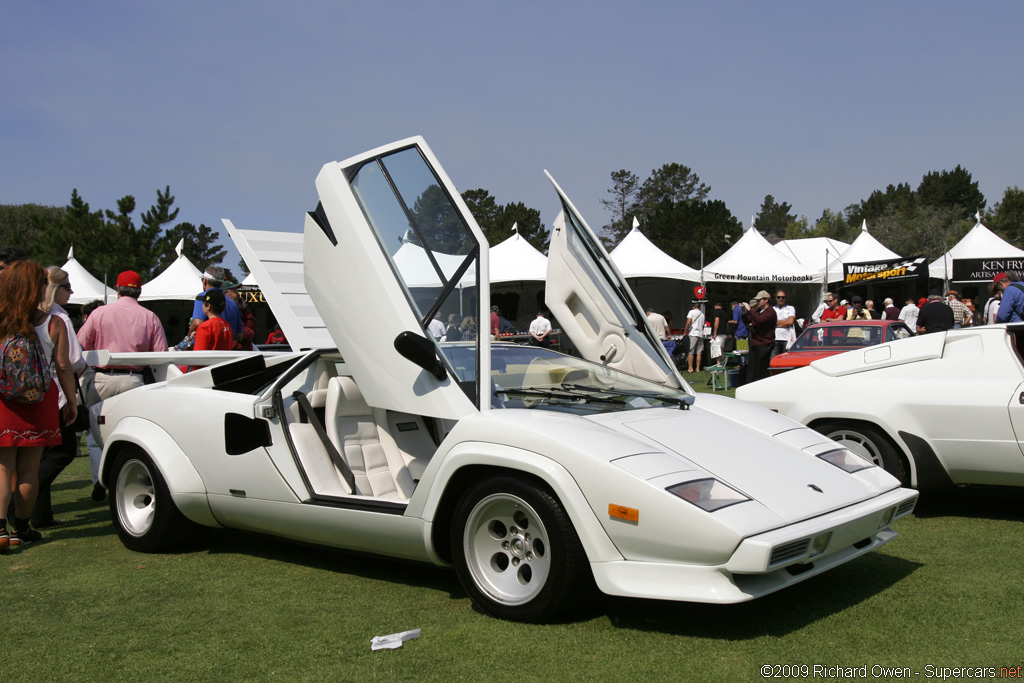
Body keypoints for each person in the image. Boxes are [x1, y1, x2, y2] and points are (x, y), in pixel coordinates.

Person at [0, 260, 77, 551]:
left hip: (4, 397)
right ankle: (22, 528)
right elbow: (63, 366)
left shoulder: (1, 319)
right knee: (30, 469)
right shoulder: (53, 322)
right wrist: (71, 401)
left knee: (3, 467)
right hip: (40, 398)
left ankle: (0, 530)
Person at [77, 269, 167, 502]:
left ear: (117, 290)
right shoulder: (150, 317)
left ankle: (99, 480)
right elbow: (161, 355)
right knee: (133, 436)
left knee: (94, 436)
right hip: (132, 380)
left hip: (101, 380)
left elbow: (79, 345)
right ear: (139, 291)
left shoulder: (99, 313)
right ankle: (126, 481)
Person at [31, 266, 89, 528]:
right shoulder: (59, 319)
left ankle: (37, 513)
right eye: (67, 287)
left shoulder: (27, 315)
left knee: (40, 455)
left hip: (29, 392)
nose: (71, 292)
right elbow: (71, 362)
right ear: (56, 289)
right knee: (62, 452)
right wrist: (72, 400)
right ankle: (20, 501)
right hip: (54, 394)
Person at [187, 266, 242, 343]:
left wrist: (187, 339)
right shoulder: (232, 303)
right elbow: (239, 335)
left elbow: (197, 323)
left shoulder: (203, 297)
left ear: (205, 281)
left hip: (205, 348)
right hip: (226, 350)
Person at [741, 290, 776, 383]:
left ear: (766, 300)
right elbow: (748, 320)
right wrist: (744, 312)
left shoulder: (770, 312)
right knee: (752, 368)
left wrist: (749, 309)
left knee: (761, 369)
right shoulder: (759, 310)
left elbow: (759, 320)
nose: (757, 302)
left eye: (758, 300)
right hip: (755, 343)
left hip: (764, 344)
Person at [224, 283, 257, 351]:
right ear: (225, 293)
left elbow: (253, 330)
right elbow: (248, 334)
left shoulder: (237, 312)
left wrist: (244, 310)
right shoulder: (229, 312)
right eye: (235, 292)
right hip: (236, 354)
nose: (238, 295)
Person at [772, 290, 796, 358]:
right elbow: (770, 322)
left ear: (785, 298)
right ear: (776, 298)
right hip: (775, 338)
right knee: (773, 360)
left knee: (785, 360)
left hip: (787, 339)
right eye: (779, 297)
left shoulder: (790, 308)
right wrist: (785, 321)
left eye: (783, 297)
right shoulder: (772, 309)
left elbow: (791, 322)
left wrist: (776, 324)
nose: (781, 299)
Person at [684, 301, 705, 373]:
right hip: (701, 333)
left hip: (693, 333)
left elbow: (688, 322)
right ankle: (698, 368)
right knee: (699, 352)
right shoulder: (702, 314)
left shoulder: (691, 312)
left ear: (693, 307)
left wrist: (685, 331)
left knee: (691, 351)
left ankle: (690, 368)